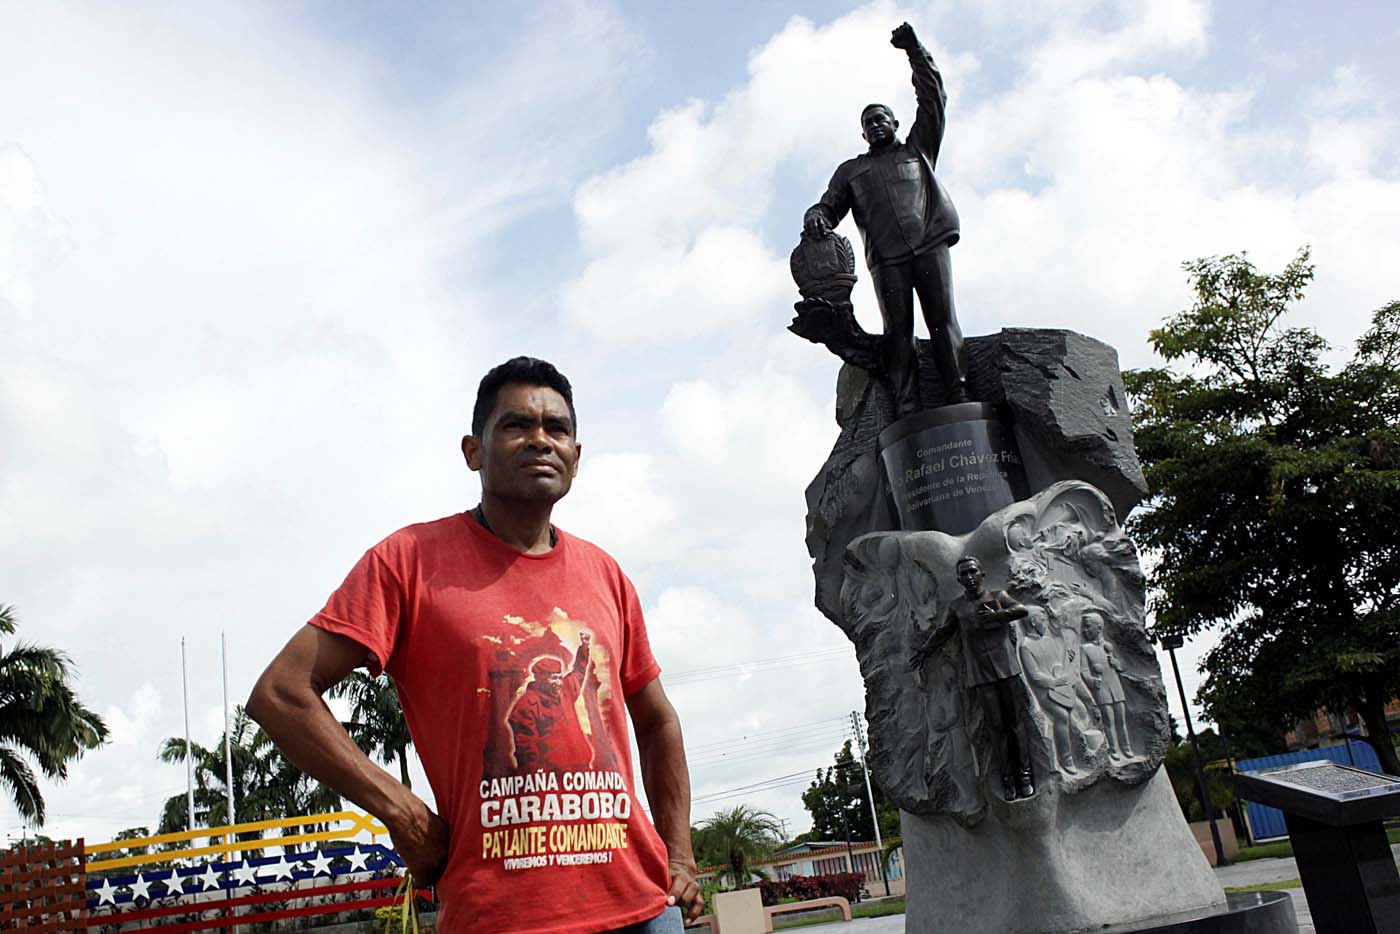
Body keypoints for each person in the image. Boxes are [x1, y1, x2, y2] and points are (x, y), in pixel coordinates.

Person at [247, 357, 701, 934]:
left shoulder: (605, 574)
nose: (540, 440)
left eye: (557, 429)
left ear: (577, 458)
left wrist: (679, 856)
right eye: (516, 425)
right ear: (473, 451)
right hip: (500, 917)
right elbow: (282, 693)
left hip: (641, 909)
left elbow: (658, 720)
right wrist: (403, 811)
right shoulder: (409, 561)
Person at [804, 21, 968, 415]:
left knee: (943, 321)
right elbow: (828, 206)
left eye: (881, 118)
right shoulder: (851, 171)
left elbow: (933, 98)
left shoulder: (918, 150)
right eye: (868, 123)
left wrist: (915, 51)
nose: (876, 125)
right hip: (888, 257)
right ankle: (907, 403)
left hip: (929, 242)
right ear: (863, 135)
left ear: (895, 124)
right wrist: (816, 216)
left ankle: (959, 392)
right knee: (898, 332)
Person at [910, 556, 1033, 800]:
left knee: (1016, 725)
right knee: (997, 729)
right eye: (964, 574)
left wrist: (996, 616)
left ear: (981, 574)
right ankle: (1008, 780)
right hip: (980, 674)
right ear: (958, 579)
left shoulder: (998, 597)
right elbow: (943, 631)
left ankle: (1025, 776)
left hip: (1007, 669)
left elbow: (1021, 610)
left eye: (972, 571)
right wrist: (924, 650)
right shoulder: (957, 607)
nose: (969, 577)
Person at [508, 638, 595, 773]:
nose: (559, 682)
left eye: (560, 677)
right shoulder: (526, 704)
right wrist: (534, 776)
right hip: (551, 777)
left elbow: (578, 672)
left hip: (581, 770)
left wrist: (584, 648)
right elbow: (525, 746)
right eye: (553, 678)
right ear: (540, 679)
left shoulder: (565, 690)